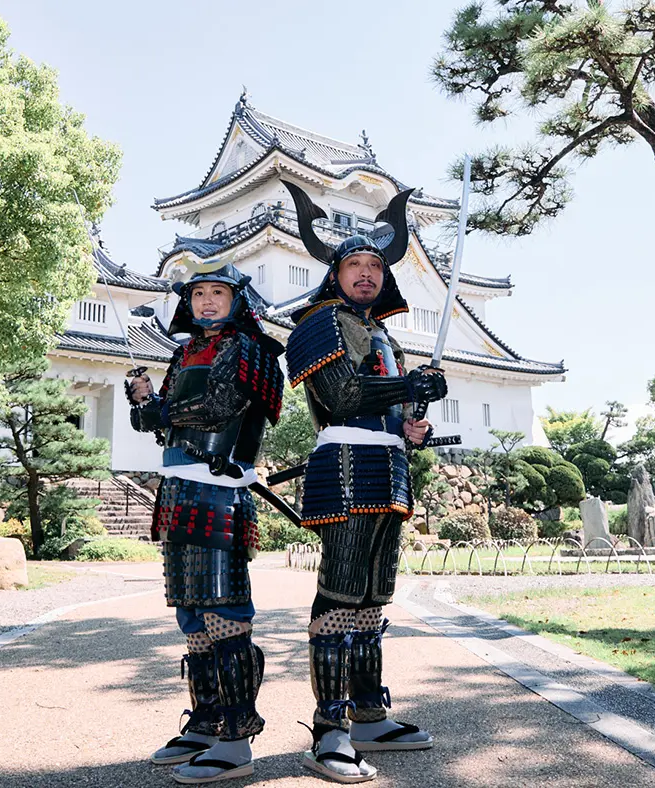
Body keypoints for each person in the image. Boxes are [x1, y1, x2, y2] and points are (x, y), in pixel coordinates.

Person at [282, 181, 449, 783]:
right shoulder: (318, 323)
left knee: (375, 598)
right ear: (334, 273)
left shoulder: (386, 337)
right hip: (346, 467)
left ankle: (370, 715)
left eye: (376, 265)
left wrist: (413, 424)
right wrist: (409, 386)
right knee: (341, 594)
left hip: (390, 469)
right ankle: (329, 729)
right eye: (354, 264)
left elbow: (389, 410)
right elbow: (344, 396)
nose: (366, 273)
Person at [127, 259, 284, 785]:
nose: (207, 301)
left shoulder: (250, 348)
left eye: (218, 292)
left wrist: (163, 411)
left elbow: (221, 405)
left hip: (220, 490)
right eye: (198, 294)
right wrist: (146, 402)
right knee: (191, 614)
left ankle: (237, 738)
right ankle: (207, 720)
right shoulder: (185, 351)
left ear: (238, 300)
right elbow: (162, 423)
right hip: (177, 488)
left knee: (224, 612)